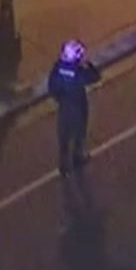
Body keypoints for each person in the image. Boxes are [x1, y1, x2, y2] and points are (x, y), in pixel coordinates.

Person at [48, 39, 101, 176]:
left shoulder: (58, 68)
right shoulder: (78, 71)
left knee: (64, 138)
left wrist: (60, 99)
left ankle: (63, 166)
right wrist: (88, 64)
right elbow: (95, 77)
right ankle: (77, 158)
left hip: (64, 108)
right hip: (78, 108)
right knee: (78, 135)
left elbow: (52, 87)